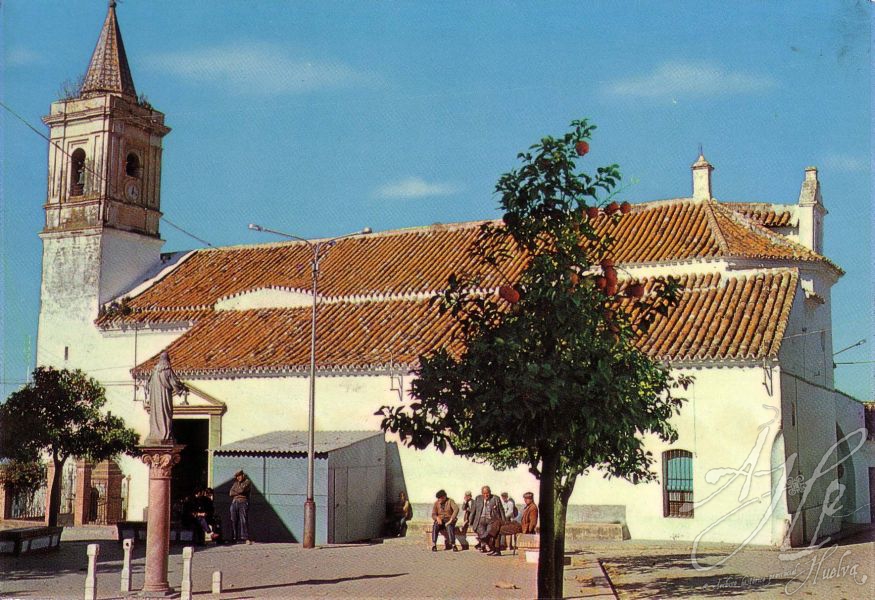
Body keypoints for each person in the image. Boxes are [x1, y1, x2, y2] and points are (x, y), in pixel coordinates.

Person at [144, 351, 187, 444]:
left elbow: (148, 385)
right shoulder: (167, 370)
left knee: (156, 415)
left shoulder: (154, 371)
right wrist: (182, 387)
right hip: (164, 399)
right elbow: (175, 382)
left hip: (155, 401)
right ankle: (165, 434)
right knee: (165, 414)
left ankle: (155, 434)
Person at [469, 485, 504, 555]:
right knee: (481, 531)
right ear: (482, 493)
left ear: (490, 492)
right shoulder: (478, 498)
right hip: (480, 519)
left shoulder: (496, 498)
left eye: (487, 493)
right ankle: (485, 545)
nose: (486, 495)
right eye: (484, 493)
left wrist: (504, 521)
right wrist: (471, 522)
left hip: (491, 520)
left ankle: (483, 544)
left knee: (489, 532)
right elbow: (473, 511)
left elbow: (501, 510)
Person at [229, 470, 252, 544]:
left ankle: (246, 538)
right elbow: (230, 493)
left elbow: (242, 490)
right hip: (234, 502)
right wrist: (237, 492)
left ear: (243, 475)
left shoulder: (247, 482)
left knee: (243, 520)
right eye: (237, 476)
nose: (238, 478)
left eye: (239, 476)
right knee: (233, 520)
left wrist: (236, 492)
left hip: (243, 502)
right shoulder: (235, 483)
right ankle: (234, 537)